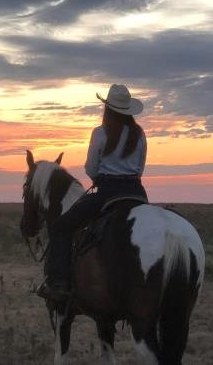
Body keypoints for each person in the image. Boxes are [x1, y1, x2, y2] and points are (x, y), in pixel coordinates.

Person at [37, 84, 149, 301]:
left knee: (61, 227)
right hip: (137, 194)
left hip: (108, 194)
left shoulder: (100, 132)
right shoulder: (139, 134)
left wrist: (101, 177)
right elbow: (141, 168)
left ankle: (59, 283)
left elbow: (90, 168)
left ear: (107, 108)